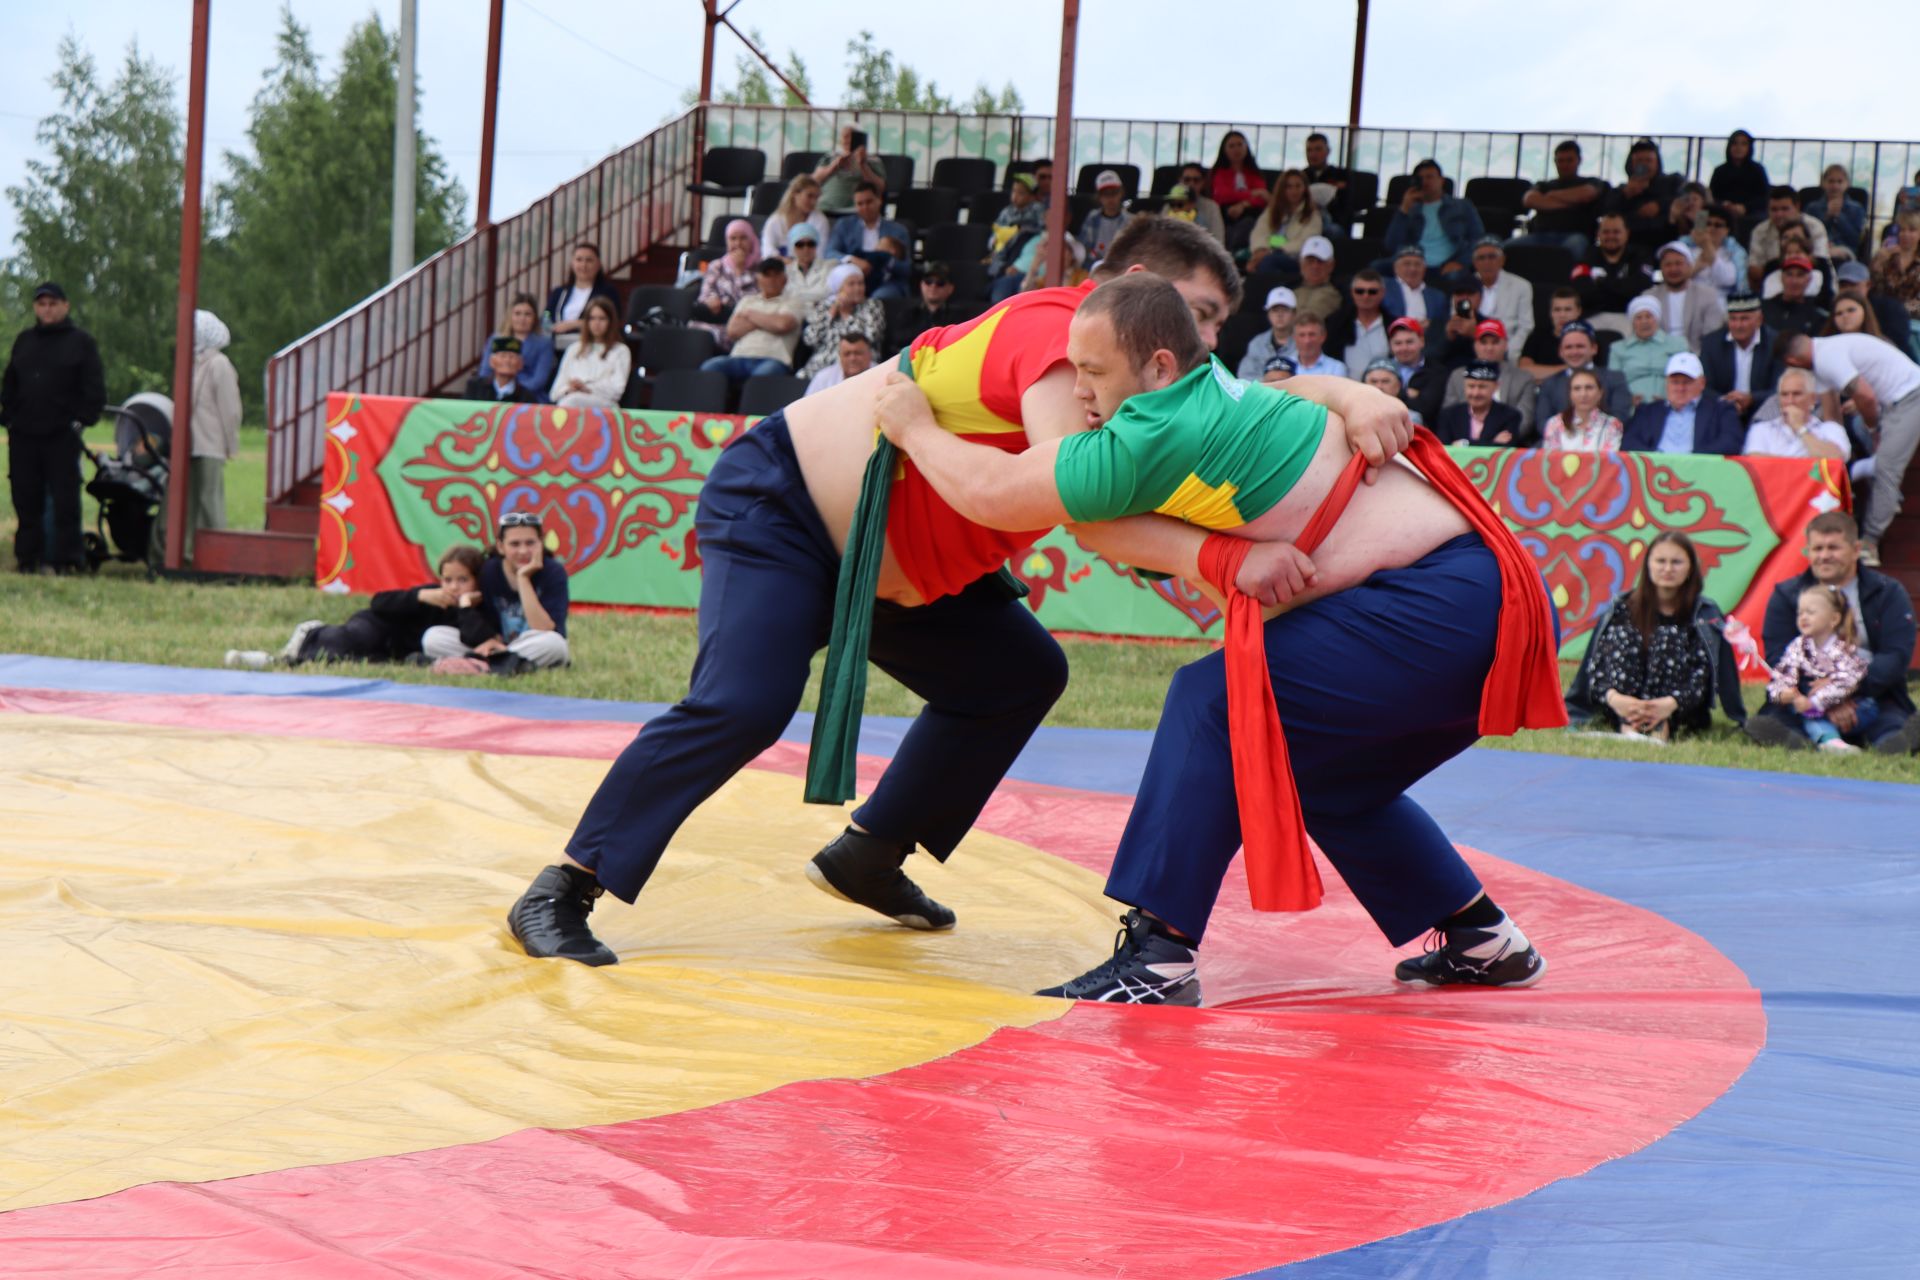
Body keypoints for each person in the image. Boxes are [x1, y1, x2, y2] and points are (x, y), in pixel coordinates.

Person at [504, 216, 1403, 968]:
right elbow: (1072, 493)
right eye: (1197, 315)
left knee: (1017, 674)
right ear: (1134, 289)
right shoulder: (1062, 342)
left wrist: (1348, 397)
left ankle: (872, 852)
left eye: (1211, 327)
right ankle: (566, 885)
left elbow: (1244, 399)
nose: (1203, 345)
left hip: (905, 571)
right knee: (743, 703)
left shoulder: (1155, 382)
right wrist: (1225, 560)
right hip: (788, 515)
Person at [870, 272, 1563, 1003]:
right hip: (1473, 598)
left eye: (1095, 373)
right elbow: (1296, 392)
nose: (1078, 393)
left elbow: (997, 493)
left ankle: (1159, 956)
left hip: (1446, 601)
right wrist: (1351, 392)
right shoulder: (1216, 387)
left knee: (1212, 697)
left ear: (1160, 367)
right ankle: (1481, 938)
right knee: (1327, 778)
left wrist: (914, 427)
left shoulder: (1153, 431)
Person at [1747, 510, 1918, 754]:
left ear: (1856, 550)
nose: (1824, 556)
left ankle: (1892, 742)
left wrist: (1845, 690)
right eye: (1817, 549)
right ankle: (1801, 742)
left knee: (1893, 723)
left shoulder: (1888, 592)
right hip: (1805, 694)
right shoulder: (1787, 595)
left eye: (1833, 548)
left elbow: (1896, 656)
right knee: (1776, 720)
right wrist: (1820, 699)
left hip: (1872, 692)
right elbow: (1779, 658)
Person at [1564, 531, 1744, 742]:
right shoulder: (1621, 609)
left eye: (1676, 562)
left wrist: (1668, 704)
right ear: (1648, 565)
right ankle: (1630, 722)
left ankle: (1657, 725)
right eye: (1660, 561)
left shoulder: (1704, 614)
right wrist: (1618, 700)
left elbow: (1703, 677)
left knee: (1669, 641)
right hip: (1620, 705)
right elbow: (1598, 668)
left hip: (1678, 709)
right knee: (1625, 636)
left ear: (1690, 569)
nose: (1667, 569)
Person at [1776, 330, 1920, 565]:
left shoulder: (1827, 357)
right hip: (1893, 403)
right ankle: (1886, 492)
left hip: (1911, 397)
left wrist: (1874, 431)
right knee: (1865, 437)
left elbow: (1866, 396)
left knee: (1885, 467)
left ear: (1792, 362)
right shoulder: (1821, 356)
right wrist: (1838, 445)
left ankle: (1870, 542)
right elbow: (1833, 415)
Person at [236, 546, 495, 669]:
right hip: (376, 626)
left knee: (340, 660)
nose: (453, 587)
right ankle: (307, 638)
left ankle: (285, 658)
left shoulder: (475, 610)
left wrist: (464, 607)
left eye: (462, 580)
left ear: (476, 580)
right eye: (447, 580)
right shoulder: (429, 593)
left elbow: (474, 636)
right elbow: (379, 602)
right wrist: (419, 597)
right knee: (350, 639)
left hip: (390, 650)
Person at [1, 282, 104, 574]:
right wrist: (9, 416)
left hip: (61, 434)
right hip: (24, 435)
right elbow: (10, 383)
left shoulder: (81, 342)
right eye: (42, 304)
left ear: (65, 306)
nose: (47, 309)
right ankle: (28, 558)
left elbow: (94, 389)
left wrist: (81, 421)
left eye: (53, 304)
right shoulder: (25, 341)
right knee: (26, 498)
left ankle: (66, 559)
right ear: (35, 308)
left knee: (64, 500)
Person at [425, 513, 570, 673]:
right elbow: (484, 621)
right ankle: (500, 665)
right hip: (493, 646)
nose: (523, 551)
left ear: (541, 543)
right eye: (514, 544)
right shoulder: (490, 570)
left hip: (528, 645)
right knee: (433, 637)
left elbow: (544, 628)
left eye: (530, 543)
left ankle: (477, 664)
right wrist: (489, 641)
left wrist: (523, 578)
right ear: (501, 546)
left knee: (555, 645)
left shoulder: (553, 572)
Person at [1766, 585, 1872, 752]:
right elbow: (1784, 673)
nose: (1804, 617)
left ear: (1834, 619)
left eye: (1811, 612)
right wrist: (1782, 693)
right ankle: (1830, 742)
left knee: (1867, 710)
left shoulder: (1843, 648)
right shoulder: (1797, 646)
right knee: (1806, 716)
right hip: (1814, 709)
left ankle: (1840, 739)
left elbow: (1848, 680)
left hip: (1854, 707)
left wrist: (1814, 703)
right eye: (1800, 613)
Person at [186, 309, 242, 563]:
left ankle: (218, 556)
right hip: (191, 446)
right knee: (190, 503)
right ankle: (190, 553)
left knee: (210, 503)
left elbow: (230, 410)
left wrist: (230, 445)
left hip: (209, 445)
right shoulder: (194, 362)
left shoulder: (219, 364)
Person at [700, 258, 805, 385]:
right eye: (767, 275)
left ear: (785, 279)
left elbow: (782, 325)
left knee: (759, 380)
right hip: (739, 357)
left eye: (776, 275)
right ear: (758, 279)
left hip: (774, 359)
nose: (772, 280)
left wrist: (750, 315)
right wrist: (769, 321)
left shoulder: (794, 302)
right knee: (709, 367)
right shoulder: (747, 301)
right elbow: (732, 331)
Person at [1623, 352, 1745, 454]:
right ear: (1667, 383)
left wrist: (1690, 460)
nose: (1680, 388)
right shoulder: (1647, 411)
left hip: (1702, 473)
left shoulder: (1721, 410)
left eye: (1687, 382)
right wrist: (1655, 459)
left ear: (1702, 383)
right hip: (1655, 472)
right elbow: (1628, 442)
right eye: (1675, 382)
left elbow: (1732, 442)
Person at [1384, 159, 1483, 273]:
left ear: (1441, 180)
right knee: (1378, 267)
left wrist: (1460, 262)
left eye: (1430, 177)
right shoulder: (1409, 209)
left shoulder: (1462, 206)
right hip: (1413, 262)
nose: (1425, 182)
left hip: (1450, 263)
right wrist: (1404, 210)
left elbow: (1478, 239)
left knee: (1456, 277)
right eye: (1421, 178)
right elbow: (1391, 244)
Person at [1534, 320, 1633, 433]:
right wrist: (1570, 438)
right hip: (1560, 445)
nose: (1574, 352)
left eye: (1580, 346)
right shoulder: (1550, 383)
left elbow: (1620, 418)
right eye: (1568, 347)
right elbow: (1542, 423)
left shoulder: (1615, 378)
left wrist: (1587, 438)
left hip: (1604, 443)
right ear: (1560, 352)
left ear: (1594, 348)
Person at [1514, 139, 1606, 254]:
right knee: (1507, 248)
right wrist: (1573, 202)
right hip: (1540, 235)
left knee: (1573, 248)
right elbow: (1529, 200)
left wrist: (1552, 195)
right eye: (1560, 161)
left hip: (1576, 235)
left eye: (1569, 160)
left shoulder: (1591, 181)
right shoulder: (1543, 185)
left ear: (1579, 160)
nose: (1565, 165)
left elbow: (1587, 194)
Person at [1441, 319, 1539, 424]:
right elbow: (1449, 417)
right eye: (1483, 342)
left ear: (1506, 345)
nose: (1489, 348)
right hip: (1465, 439)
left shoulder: (1524, 378)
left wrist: (1501, 438)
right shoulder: (1457, 376)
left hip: (1506, 438)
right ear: (1475, 345)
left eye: (1495, 342)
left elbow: (1524, 420)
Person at [1573, 212, 1657, 334]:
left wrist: (1602, 283)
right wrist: (1620, 289)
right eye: (1606, 232)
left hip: (1628, 316)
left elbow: (1641, 286)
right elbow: (1581, 289)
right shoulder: (1588, 255)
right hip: (1593, 315)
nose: (1611, 236)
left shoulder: (1640, 255)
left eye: (1616, 232)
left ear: (1627, 234)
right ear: (1598, 234)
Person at [1700, 293, 1779, 421]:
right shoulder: (1711, 343)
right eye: (1733, 319)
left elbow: (1779, 388)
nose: (1738, 325)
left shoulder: (1775, 343)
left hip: (1765, 412)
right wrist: (1727, 402)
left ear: (1759, 320)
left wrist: (1751, 398)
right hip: (1721, 412)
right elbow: (1704, 386)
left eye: (1745, 319)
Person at [826, 183, 912, 300]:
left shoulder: (898, 230)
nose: (865, 207)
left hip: (886, 282)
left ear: (879, 200)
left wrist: (887, 259)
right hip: (852, 278)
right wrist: (852, 260)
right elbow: (829, 253)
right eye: (860, 204)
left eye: (869, 202)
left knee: (877, 299)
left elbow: (906, 268)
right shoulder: (844, 225)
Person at [799, 264, 886, 379]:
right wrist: (831, 314)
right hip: (822, 363)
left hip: (857, 362)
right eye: (851, 284)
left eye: (860, 283)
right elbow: (810, 339)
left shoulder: (872, 306)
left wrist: (846, 314)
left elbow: (871, 336)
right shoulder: (825, 307)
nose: (858, 288)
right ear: (838, 288)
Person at [1742, 368, 1849, 461]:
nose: (1790, 401)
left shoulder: (1831, 429)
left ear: (1812, 399)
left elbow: (1835, 459)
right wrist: (1806, 462)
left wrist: (1800, 427)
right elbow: (1755, 462)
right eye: (1784, 395)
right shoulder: (1761, 429)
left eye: (1796, 394)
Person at [1643, 241, 1727, 352]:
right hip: (1658, 358)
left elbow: (1712, 336)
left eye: (1678, 264)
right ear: (1661, 268)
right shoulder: (1649, 298)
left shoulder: (1708, 295)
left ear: (1690, 266)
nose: (1673, 269)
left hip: (1697, 355)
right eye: (1668, 265)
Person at [548, 297, 629, 408]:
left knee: (572, 401)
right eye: (592, 318)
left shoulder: (621, 351)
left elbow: (617, 388)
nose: (596, 323)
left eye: (602, 318)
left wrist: (586, 387)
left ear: (611, 322)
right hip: (570, 401)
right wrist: (569, 389)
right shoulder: (573, 349)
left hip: (604, 406)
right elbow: (555, 392)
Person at [1609, 296, 1691, 405]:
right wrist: (1627, 400)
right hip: (1632, 406)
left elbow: (1688, 376)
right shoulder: (1618, 348)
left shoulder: (1678, 344)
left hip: (1672, 404)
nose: (1644, 322)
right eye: (1638, 317)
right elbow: (1613, 383)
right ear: (1632, 322)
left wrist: (1669, 399)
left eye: (1649, 316)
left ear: (1657, 318)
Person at [1605, 139, 1682, 250]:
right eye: (1639, 161)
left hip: (1667, 240)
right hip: (1631, 244)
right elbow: (1607, 212)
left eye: (1648, 160)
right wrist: (1625, 195)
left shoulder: (1673, 181)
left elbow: (1690, 198)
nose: (1644, 165)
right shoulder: (1621, 190)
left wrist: (1659, 205)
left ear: (1657, 163)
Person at [692, 221, 761, 344]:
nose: (738, 243)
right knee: (693, 329)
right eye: (733, 238)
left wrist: (740, 271)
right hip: (717, 319)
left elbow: (750, 303)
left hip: (745, 324)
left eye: (743, 238)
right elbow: (705, 294)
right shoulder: (716, 266)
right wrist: (711, 300)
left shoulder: (761, 268)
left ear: (751, 240)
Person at [477, 293, 555, 401]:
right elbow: (485, 372)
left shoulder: (544, 344)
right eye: (517, 313)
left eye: (527, 314)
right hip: (494, 393)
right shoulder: (496, 339)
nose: (522, 318)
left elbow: (539, 380)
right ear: (510, 316)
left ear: (534, 318)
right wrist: (500, 389)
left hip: (529, 397)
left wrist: (513, 390)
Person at [1748, 188, 1832, 286]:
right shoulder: (1759, 231)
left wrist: (1776, 266)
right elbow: (1754, 271)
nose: (1779, 214)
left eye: (1784, 209)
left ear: (1797, 206)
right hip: (1772, 284)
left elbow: (1819, 263)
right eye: (1774, 210)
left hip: (1814, 282)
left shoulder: (1814, 226)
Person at [1247, 169, 1322, 276]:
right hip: (1269, 254)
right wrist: (1261, 250)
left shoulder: (1312, 215)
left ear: (1305, 189)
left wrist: (1271, 251)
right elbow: (1259, 233)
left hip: (1295, 259)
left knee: (1268, 262)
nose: (1294, 191)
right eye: (1289, 186)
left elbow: (1304, 243)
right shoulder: (1272, 210)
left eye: (1298, 186)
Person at [544, 243, 620, 344]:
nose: (583, 265)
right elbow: (547, 314)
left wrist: (575, 324)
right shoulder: (559, 292)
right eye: (579, 260)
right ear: (572, 264)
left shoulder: (607, 292)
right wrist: (548, 323)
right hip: (557, 346)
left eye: (589, 260)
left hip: (590, 344)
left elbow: (612, 321)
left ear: (598, 265)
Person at [891, 262, 976, 352]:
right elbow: (897, 342)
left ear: (950, 289)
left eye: (940, 283)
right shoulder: (907, 315)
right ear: (921, 285)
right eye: (928, 281)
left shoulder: (960, 317)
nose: (933, 286)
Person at [1468, 237, 1534, 352]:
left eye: (1492, 257)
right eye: (1481, 258)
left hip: (1509, 348)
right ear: (1474, 263)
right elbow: (1459, 320)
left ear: (1502, 260)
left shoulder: (1521, 286)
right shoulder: (1464, 286)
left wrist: (1508, 351)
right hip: (1473, 348)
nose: (1486, 262)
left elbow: (1526, 326)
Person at [1434, 361, 1523, 446]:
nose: (1476, 393)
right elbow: (1444, 448)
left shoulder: (1510, 416)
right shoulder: (1449, 415)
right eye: (1471, 386)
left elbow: (1506, 448)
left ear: (1496, 387)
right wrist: (1492, 442)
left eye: (1482, 387)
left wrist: (1464, 444)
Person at [1540, 368, 1624, 453]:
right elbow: (1551, 460)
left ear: (1600, 393)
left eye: (1589, 388)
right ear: (1570, 394)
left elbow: (1608, 461)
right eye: (1577, 388)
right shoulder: (1554, 423)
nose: (1583, 394)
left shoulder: (1612, 424)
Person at [1209, 130, 1268, 251]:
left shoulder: (1254, 173)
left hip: (1251, 212)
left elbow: (1262, 198)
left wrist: (1243, 204)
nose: (1236, 149)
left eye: (1240, 145)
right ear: (1224, 150)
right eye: (1231, 146)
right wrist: (1251, 193)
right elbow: (1222, 196)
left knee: (1248, 223)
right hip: (1225, 213)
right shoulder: (1218, 173)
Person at [988, 172, 1049, 288]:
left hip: (1025, 256)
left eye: (1021, 193)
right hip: (1004, 255)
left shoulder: (1037, 209)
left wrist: (1020, 230)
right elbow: (996, 233)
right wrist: (994, 241)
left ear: (1032, 196)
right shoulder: (1006, 212)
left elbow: (1043, 232)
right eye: (1014, 191)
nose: (1015, 196)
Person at [1323, 269, 1390, 373]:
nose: (1365, 296)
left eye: (1372, 292)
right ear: (1352, 292)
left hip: (1383, 387)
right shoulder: (1335, 324)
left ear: (1382, 293)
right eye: (1360, 291)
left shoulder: (1393, 324)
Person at [1834, 260, 1910, 350]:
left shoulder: (1890, 308)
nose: (1848, 289)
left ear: (1868, 285)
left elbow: (1899, 341)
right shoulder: (1835, 307)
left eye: (1853, 285)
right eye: (1843, 285)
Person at [810, 124, 887, 212]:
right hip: (826, 208)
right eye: (845, 137)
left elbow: (879, 188)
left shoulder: (873, 160)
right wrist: (834, 166)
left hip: (858, 211)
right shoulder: (830, 157)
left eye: (852, 137)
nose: (848, 141)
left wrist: (863, 165)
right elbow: (813, 181)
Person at [1868, 210, 1920, 338]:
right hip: (1883, 316)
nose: (1905, 234)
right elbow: (1873, 288)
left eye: (1912, 230)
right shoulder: (1886, 257)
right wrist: (1878, 263)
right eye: (1902, 230)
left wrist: (1898, 310)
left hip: (1912, 321)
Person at [1518, 287, 1587, 378]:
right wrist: (1569, 369)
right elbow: (1524, 370)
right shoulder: (1537, 337)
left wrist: (1542, 374)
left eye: (1567, 309)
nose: (1562, 315)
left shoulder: (1587, 338)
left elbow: (1587, 371)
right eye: (1557, 310)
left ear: (1578, 311)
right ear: (1551, 312)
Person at [1388, 317, 1444, 426]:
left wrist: (1396, 393)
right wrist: (1408, 394)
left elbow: (1428, 408)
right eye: (1398, 343)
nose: (1404, 348)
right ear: (1390, 345)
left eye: (1409, 342)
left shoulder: (1437, 371)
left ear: (1422, 341)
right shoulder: (1379, 368)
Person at [1708, 130, 1770, 228]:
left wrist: (1745, 208)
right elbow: (1712, 195)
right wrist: (1724, 204)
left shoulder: (1758, 170)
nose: (1738, 148)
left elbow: (1764, 197)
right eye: (1735, 143)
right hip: (1723, 211)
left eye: (1743, 144)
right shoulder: (1719, 171)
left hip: (1752, 213)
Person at [761, 175, 832, 260]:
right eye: (809, 196)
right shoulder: (775, 220)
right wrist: (783, 261)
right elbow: (767, 250)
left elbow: (820, 253)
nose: (813, 202)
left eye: (816, 198)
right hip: (778, 267)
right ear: (795, 193)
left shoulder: (820, 221)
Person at [1236, 285, 1297, 381]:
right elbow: (1244, 376)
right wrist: (1268, 382)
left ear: (1294, 314)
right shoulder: (1257, 343)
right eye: (1275, 310)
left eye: (1285, 310)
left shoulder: (1305, 340)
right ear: (1268, 314)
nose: (1279, 315)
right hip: (1263, 393)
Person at [1382, 245, 1446, 334]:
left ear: (1424, 269)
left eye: (1417, 264)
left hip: (1426, 342)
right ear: (1395, 268)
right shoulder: (1384, 288)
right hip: (1393, 339)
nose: (1413, 269)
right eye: (1407, 264)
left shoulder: (1437, 296)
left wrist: (1432, 325)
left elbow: (1443, 323)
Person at [1763, 256, 1831, 338]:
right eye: (1789, 274)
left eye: (1800, 275)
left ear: (1809, 279)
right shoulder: (1764, 309)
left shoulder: (1817, 317)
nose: (1794, 281)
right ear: (1782, 278)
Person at [1688, 204, 1748, 298]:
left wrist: (1707, 245)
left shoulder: (1733, 254)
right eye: (1708, 224)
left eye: (1718, 225)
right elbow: (1676, 279)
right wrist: (1696, 267)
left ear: (1727, 230)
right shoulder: (1688, 251)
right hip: (1692, 302)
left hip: (1721, 304)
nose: (1711, 228)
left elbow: (1728, 280)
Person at [1810, 165, 1868, 259]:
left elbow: (1856, 239)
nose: (1835, 186)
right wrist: (1827, 217)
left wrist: (1839, 217)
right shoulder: (1812, 207)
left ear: (1847, 184)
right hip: (1817, 251)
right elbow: (1809, 234)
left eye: (1840, 182)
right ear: (1823, 183)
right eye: (1831, 181)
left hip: (1846, 252)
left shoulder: (1857, 208)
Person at [1079, 169, 1133, 263]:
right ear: (1099, 197)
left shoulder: (1130, 220)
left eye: (1114, 193)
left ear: (1121, 193)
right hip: (1095, 266)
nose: (1110, 198)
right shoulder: (1092, 218)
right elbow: (1084, 247)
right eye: (1105, 194)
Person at [465, 335, 539, 403]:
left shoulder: (526, 397)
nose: (507, 361)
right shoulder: (475, 387)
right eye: (503, 356)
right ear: (492, 362)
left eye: (512, 357)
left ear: (520, 364)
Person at [804, 331, 875, 397]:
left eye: (858, 353)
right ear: (840, 356)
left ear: (869, 354)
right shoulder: (823, 378)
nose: (852, 358)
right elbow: (806, 407)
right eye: (847, 354)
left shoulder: (882, 375)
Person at [1300, 132, 1350, 226]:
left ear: (1328, 151)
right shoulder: (1301, 176)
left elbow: (1346, 204)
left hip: (1333, 222)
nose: (1313, 154)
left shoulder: (1341, 175)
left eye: (1318, 149)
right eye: (1309, 150)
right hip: (1304, 221)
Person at [1174, 164, 1228, 243]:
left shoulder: (1212, 207)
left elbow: (1219, 239)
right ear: (1180, 181)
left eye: (1196, 180)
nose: (1191, 184)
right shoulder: (1170, 206)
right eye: (1187, 180)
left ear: (1202, 183)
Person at [1292, 235, 1341, 318]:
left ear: (1331, 265)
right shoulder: (1291, 291)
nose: (1315, 266)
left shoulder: (1334, 294)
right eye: (1310, 261)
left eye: (1320, 261)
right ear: (1301, 264)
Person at [783, 224, 833, 305]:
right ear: (793, 247)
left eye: (810, 244)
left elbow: (825, 293)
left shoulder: (829, 267)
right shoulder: (786, 271)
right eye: (800, 245)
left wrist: (797, 296)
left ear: (816, 246)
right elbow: (784, 295)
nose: (806, 249)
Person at [1285, 313, 1345, 379]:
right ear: (1294, 337)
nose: (1307, 341)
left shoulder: (1336, 368)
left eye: (1312, 335)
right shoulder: (1285, 366)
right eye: (1302, 335)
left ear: (1323, 336)